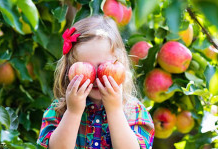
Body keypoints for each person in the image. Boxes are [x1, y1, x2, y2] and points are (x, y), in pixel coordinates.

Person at [37, 15, 154, 149]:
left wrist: (114, 110)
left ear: (119, 64)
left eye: (104, 66)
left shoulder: (134, 110)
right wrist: (73, 112)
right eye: (87, 68)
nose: (97, 78)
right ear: (69, 70)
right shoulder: (60, 109)